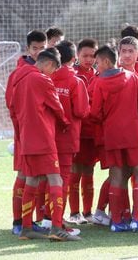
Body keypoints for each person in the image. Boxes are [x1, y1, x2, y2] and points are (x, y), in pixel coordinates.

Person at [10, 49, 79, 241]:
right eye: (54, 70)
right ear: (49, 64)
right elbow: (56, 106)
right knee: (55, 179)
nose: (53, 74)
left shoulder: (18, 78)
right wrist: (65, 123)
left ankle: (25, 228)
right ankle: (56, 228)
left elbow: (13, 110)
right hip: (43, 138)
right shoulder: (41, 79)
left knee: (31, 180)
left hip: (26, 138)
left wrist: (20, 133)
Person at [90, 45, 138, 233]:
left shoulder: (99, 83)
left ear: (106, 62)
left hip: (112, 136)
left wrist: (107, 120)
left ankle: (117, 222)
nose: (96, 67)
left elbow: (95, 113)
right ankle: (137, 219)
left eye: (98, 63)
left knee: (116, 177)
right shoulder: (132, 77)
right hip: (132, 134)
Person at [5, 30, 47, 235]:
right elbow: (11, 104)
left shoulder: (45, 70)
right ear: (28, 49)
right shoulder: (20, 72)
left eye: (42, 48)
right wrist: (21, 129)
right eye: (35, 48)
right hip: (26, 133)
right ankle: (18, 222)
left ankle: (29, 221)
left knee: (35, 176)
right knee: (25, 174)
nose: (39, 52)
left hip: (39, 133)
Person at [52, 41, 90, 220]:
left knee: (45, 178)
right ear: (74, 59)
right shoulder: (76, 81)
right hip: (68, 138)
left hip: (47, 137)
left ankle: (44, 218)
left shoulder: (46, 77)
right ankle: (58, 221)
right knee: (63, 179)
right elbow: (81, 111)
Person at [68, 38, 98, 225]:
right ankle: (74, 212)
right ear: (77, 56)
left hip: (92, 132)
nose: (88, 59)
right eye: (84, 55)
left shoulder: (98, 74)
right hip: (76, 132)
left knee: (89, 170)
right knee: (74, 171)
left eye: (92, 55)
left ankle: (88, 212)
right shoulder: (73, 74)